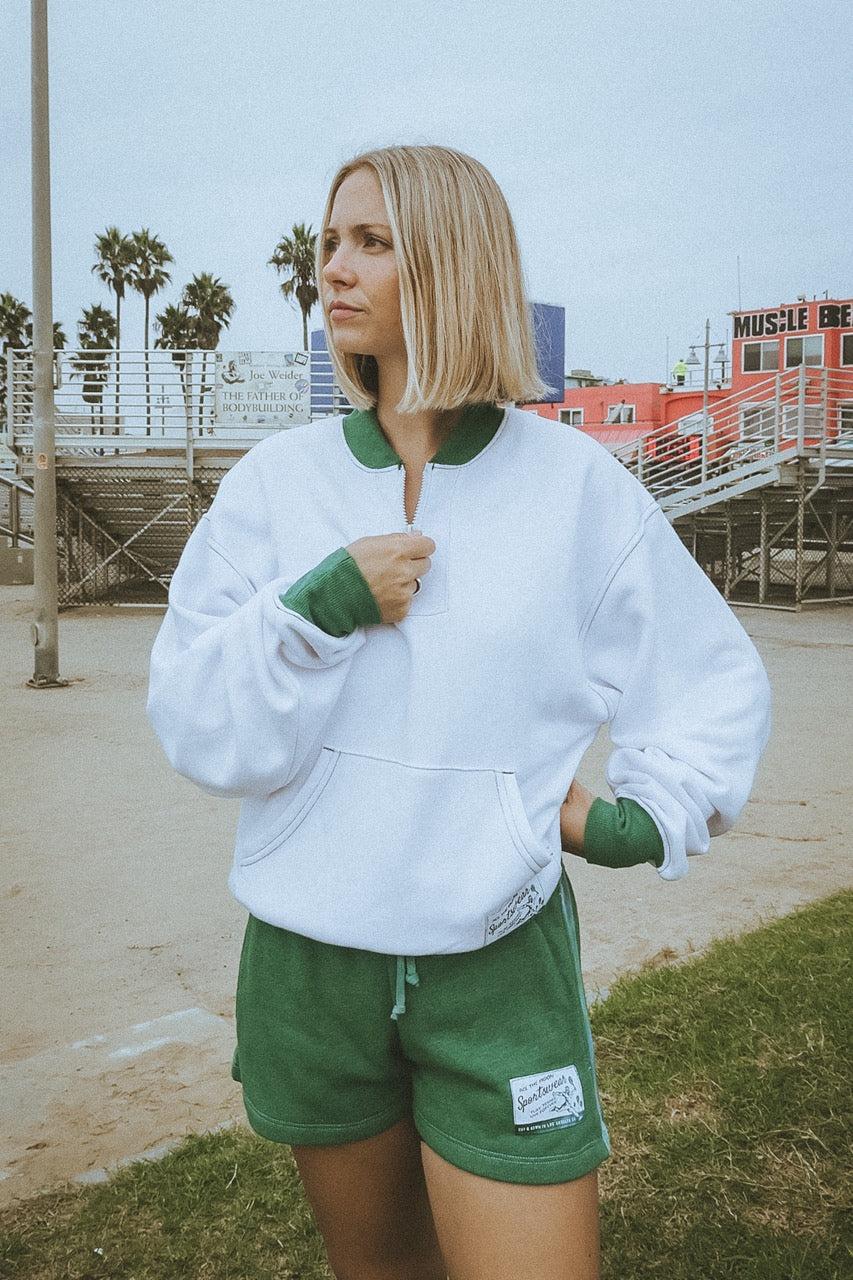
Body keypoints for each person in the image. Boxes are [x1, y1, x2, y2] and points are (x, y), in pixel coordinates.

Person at [147, 145, 771, 1280]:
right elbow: (194, 718)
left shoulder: (575, 487)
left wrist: (637, 819)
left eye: (370, 241)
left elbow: (711, 682)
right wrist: (319, 605)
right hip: (308, 964)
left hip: (494, 961)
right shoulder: (274, 486)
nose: (330, 267)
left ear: (449, 262)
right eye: (327, 241)